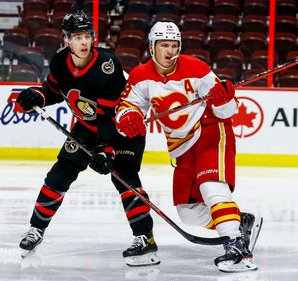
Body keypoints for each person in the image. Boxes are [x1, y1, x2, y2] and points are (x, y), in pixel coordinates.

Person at [16, 12, 159, 267]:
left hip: (122, 129)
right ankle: (36, 229)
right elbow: (53, 90)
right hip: (86, 127)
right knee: (59, 175)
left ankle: (144, 238)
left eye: (87, 36)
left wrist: (106, 151)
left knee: (125, 180)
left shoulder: (107, 64)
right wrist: (37, 96)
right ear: (67, 40)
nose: (83, 42)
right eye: (77, 37)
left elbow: (108, 116)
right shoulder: (60, 61)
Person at [114, 21, 259, 272]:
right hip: (181, 148)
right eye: (164, 45)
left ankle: (236, 246)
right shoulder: (140, 75)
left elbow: (228, 110)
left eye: (174, 45)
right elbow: (127, 107)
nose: (170, 51)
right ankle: (238, 221)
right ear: (152, 46)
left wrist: (224, 99)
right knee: (189, 213)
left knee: (211, 187)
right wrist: (127, 117)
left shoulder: (196, 68)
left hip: (210, 131)